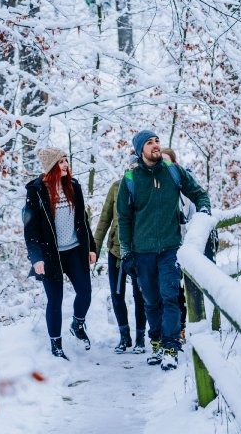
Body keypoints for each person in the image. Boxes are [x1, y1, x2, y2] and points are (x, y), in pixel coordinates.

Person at [117, 131, 211, 370]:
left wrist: (204, 214)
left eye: (157, 141)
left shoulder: (173, 172)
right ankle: (156, 342)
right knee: (151, 301)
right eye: (149, 143)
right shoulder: (130, 179)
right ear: (140, 151)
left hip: (170, 248)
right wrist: (127, 253)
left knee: (170, 297)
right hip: (142, 251)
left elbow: (199, 194)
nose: (156, 145)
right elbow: (124, 219)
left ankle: (171, 347)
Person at [23, 147, 97, 360]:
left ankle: (78, 324)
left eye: (66, 160)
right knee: (55, 300)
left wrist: (91, 246)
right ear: (51, 166)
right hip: (50, 255)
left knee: (85, 292)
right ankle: (56, 345)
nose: (66, 164)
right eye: (61, 161)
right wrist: (36, 258)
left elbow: (83, 220)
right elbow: (30, 229)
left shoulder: (73, 187)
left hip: (74, 250)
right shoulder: (36, 191)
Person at [160, 147, 219, 343]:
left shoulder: (182, 183)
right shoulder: (156, 183)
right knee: (172, 289)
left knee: (188, 287)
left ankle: (193, 327)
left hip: (189, 244)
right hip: (169, 244)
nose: (163, 164)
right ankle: (177, 329)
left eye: (167, 161)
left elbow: (198, 205)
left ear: (175, 163)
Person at [94, 157, 147, 354]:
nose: (133, 170)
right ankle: (124, 336)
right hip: (116, 250)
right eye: (131, 166)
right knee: (117, 295)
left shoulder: (146, 188)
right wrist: (94, 248)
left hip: (139, 251)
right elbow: (104, 219)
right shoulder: (116, 187)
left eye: (137, 167)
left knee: (140, 295)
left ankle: (141, 337)